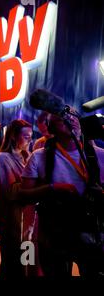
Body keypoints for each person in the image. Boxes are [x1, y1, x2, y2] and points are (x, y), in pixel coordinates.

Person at [21, 112, 104, 277]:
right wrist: (52, 188)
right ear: (52, 128)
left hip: (91, 231)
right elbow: (24, 195)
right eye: (63, 119)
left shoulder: (100, 155)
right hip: (55, 232)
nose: (70, 120)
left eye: (74, 116)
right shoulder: (39, 156)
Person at [0, 119, 34, 277]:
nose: (30, 139)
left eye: (31, 136)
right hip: (12, 219)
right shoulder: (2, 158)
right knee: (13, 262)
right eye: (25, 136)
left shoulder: (27, 155)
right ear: (14, 136)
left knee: (27, 261)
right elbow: (10, 192)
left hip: (28, 219)